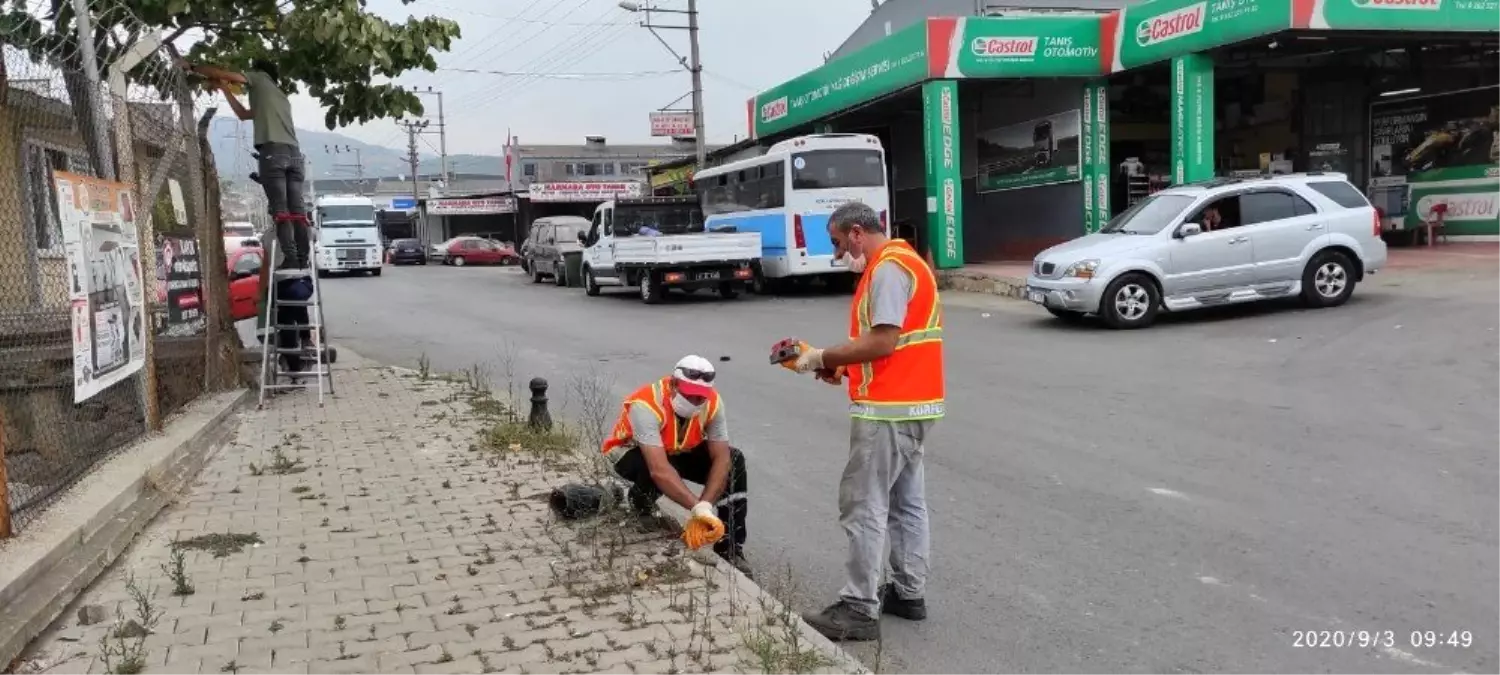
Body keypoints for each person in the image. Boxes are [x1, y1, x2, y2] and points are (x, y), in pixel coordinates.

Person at [789, 201, 944, 642]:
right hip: (915, 403)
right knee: (906, 503)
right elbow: (894, 347)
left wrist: (822, 356)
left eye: (839, 243)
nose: (839, 254)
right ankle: (909, 593)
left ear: (857, 232)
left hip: (888, 410)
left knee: (863, 504)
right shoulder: (905, 261)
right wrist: (841, 368)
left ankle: (858, 607)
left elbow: (883, 341)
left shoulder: (888, 269)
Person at [602, 356, 751, 575]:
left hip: (675, 451)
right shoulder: (645, 404)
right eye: (689, 395)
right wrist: (695, 508)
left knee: (734, 460)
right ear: (672, 384)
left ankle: (730, 548)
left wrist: (705, 507)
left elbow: (721, 457)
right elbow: (659, 468)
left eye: (700, 398)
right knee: (660, 467)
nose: (695, 402)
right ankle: (640, 501)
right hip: (630, 455)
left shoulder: (712, 402)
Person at [178, 57, 309, 270]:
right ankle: (304, 257)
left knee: (281, 210)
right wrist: (225, 90)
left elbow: (226, 74)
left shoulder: (259, 78)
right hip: (294, 155)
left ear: (258, 71)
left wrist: (193, 67)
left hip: (273, 153)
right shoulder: (278, 96)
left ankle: (292, 258)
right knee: (297, 210)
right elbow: (243, 114)